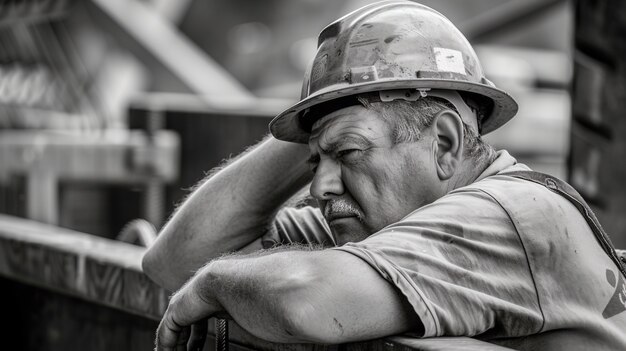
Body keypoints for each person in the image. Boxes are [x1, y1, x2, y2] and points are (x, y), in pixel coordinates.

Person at [143, 1, 626, 350]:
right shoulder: (392, 226)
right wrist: (323, 119)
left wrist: (211, 285)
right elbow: (176, 262)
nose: (319, 187)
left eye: (349, 152)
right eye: (315, 163)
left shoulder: (514, 216)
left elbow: (307, 301)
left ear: (444, 143)